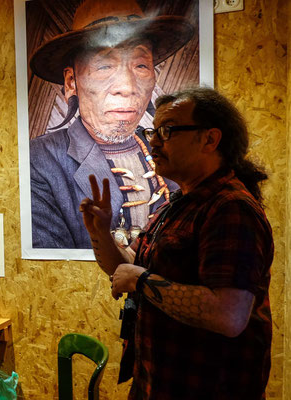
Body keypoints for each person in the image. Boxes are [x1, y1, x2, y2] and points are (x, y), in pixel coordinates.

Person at [80, 87, 273, 399]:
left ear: (210, 140)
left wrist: (140, 281)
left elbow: (229, 316)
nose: (153, 142)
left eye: (167, 131)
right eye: (152, 131)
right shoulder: (180, 202)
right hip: (157, 384)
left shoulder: (230, 207)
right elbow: (125, 268)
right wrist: (101, 231)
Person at [29, 0, 195, 249]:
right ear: (72, 82)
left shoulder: (168, 150)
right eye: (104, 65)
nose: (127, 87)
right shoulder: (39, 159)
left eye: (141, 65)